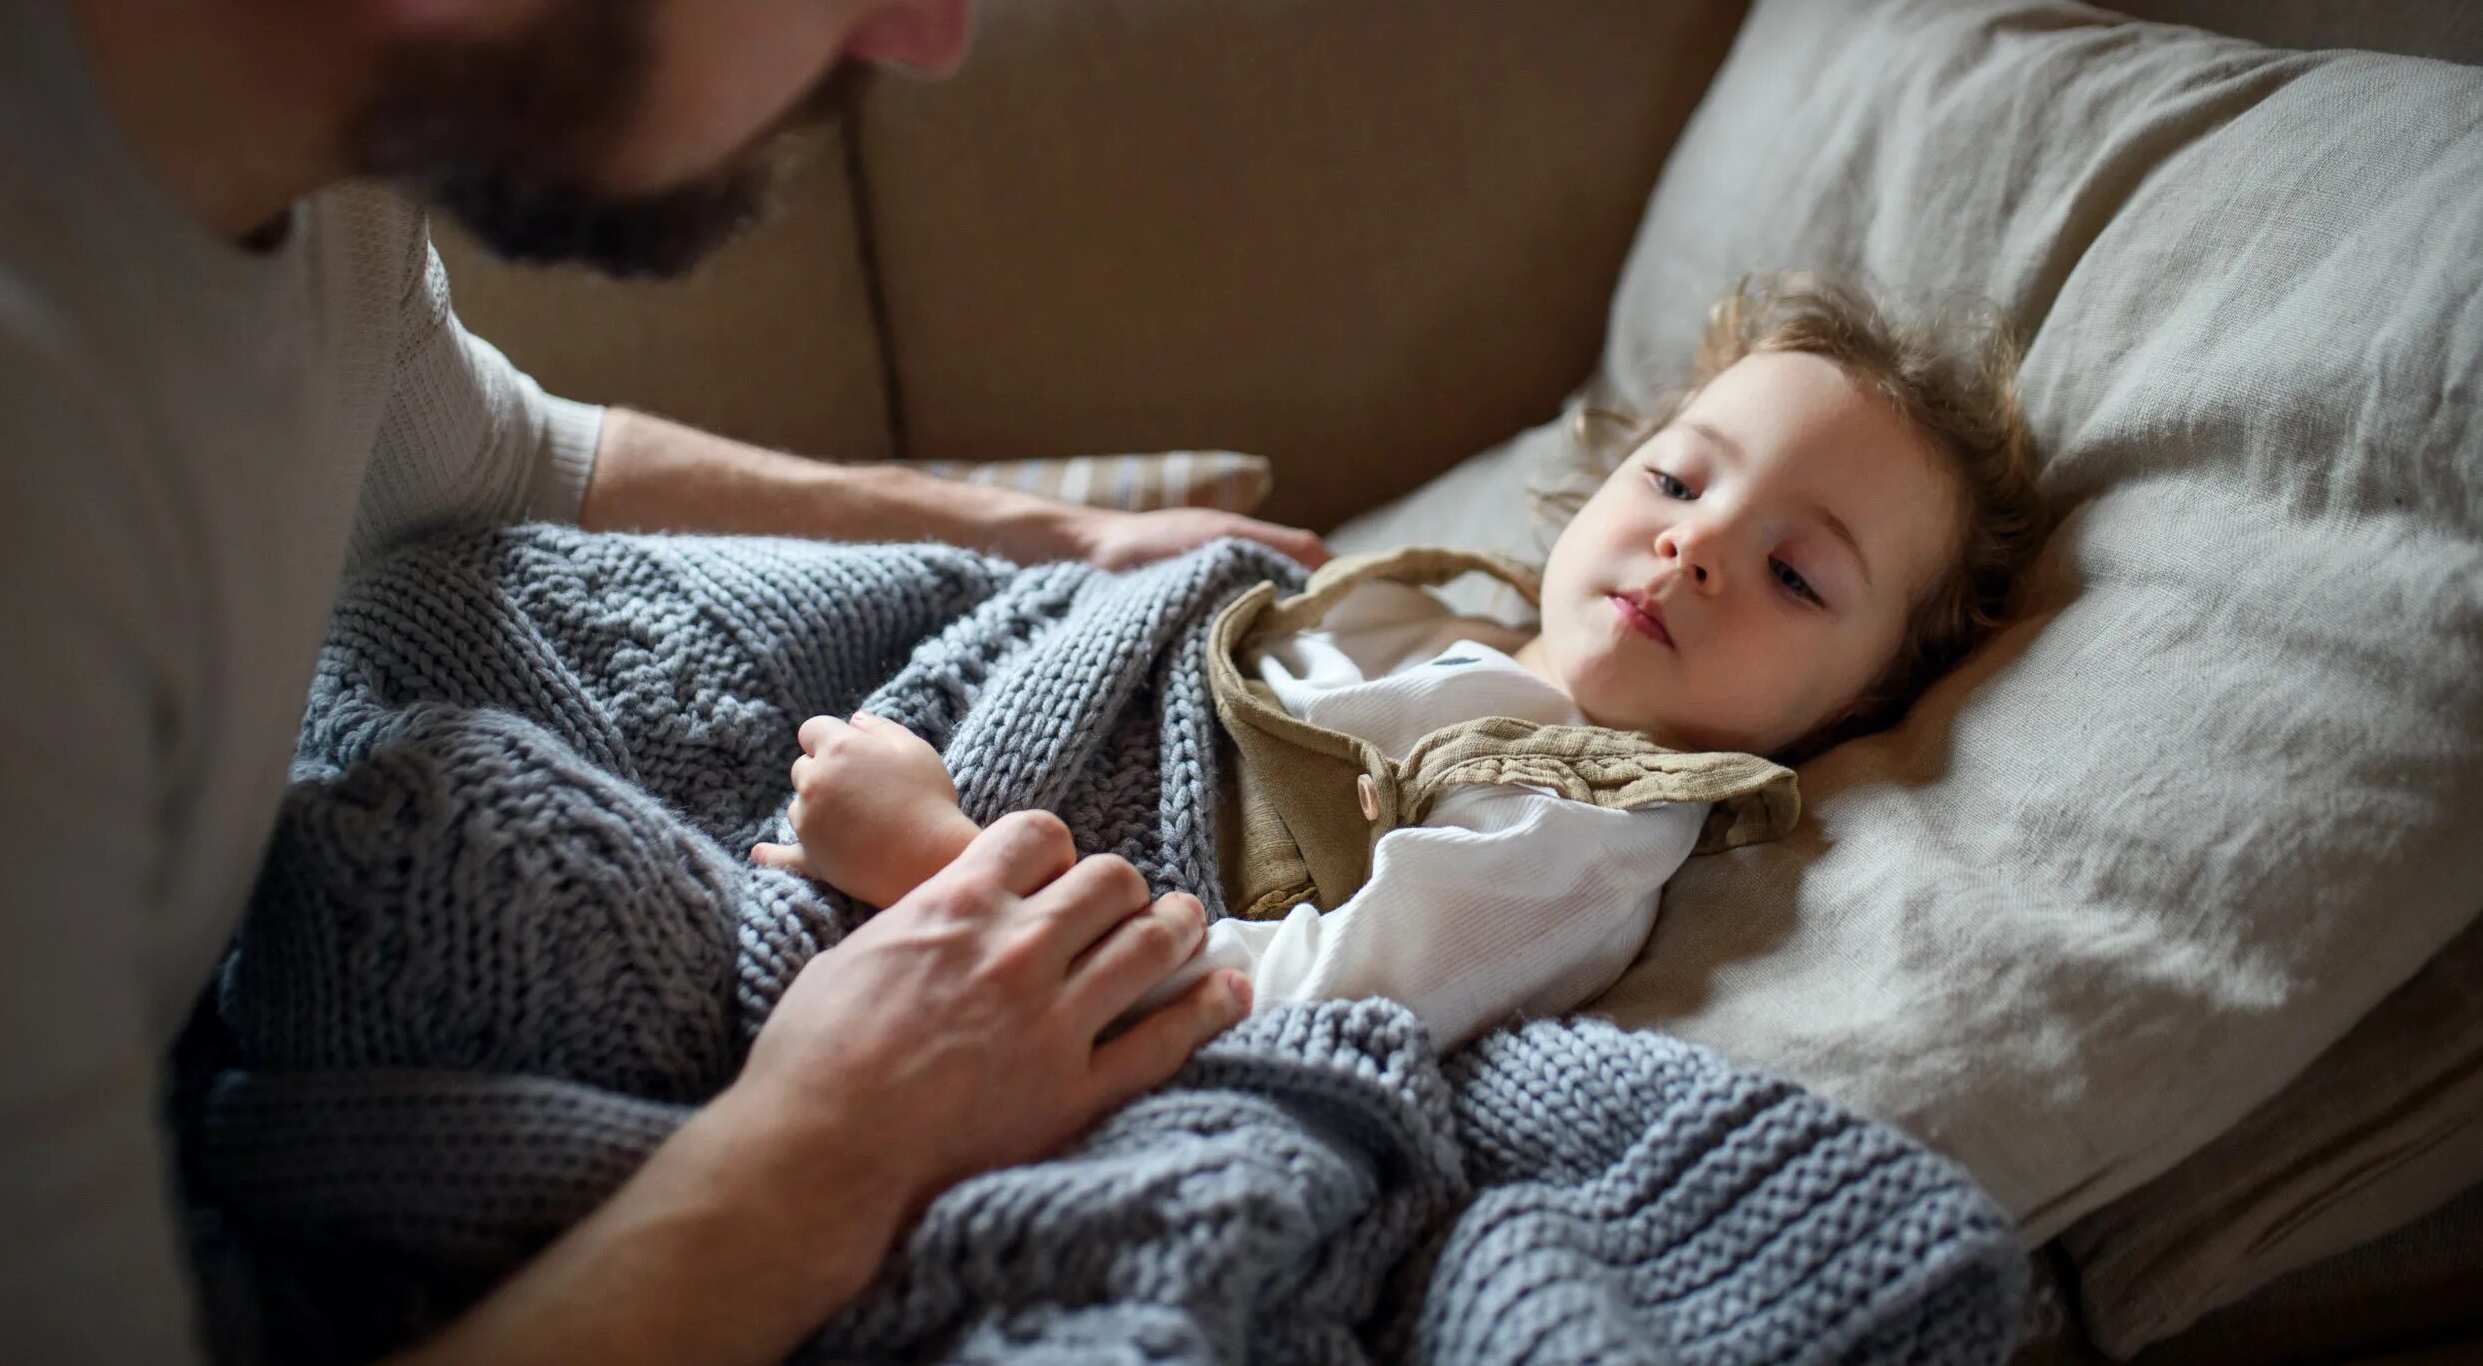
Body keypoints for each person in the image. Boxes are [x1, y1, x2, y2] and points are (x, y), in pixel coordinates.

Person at [0, 0, 1335, 1361]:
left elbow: (478, 453)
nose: (934, 33)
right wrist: (837, 1145)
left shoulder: (248, 48)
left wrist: (1046, 529)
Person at [756, 277, 2050, 1053]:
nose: (1696, 541)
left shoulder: (1583, 830)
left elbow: (1289, 1008)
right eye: (1678, 474)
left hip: (982, 904)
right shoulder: (1422, 613)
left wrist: (940, 862)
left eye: (1796, 574)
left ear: (1856, 709)